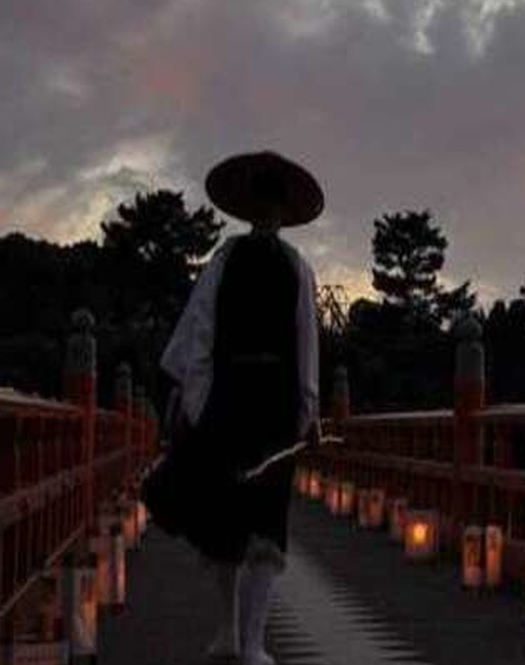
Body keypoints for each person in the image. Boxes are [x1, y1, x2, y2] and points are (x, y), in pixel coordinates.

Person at [160, 151, 323, 664]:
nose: (267, 212)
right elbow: (201, 328)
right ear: (252, 207)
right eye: (261, 202)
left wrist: (307, 409)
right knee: (225, 520)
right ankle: (229, 631)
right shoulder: (224, 259)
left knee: (267, 523)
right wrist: (196, 397)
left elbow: (306, 342)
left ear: (282, 210)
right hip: (229, 398)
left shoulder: (298, 267)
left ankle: (253, 641)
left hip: (274, 402)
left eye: (273, 203)